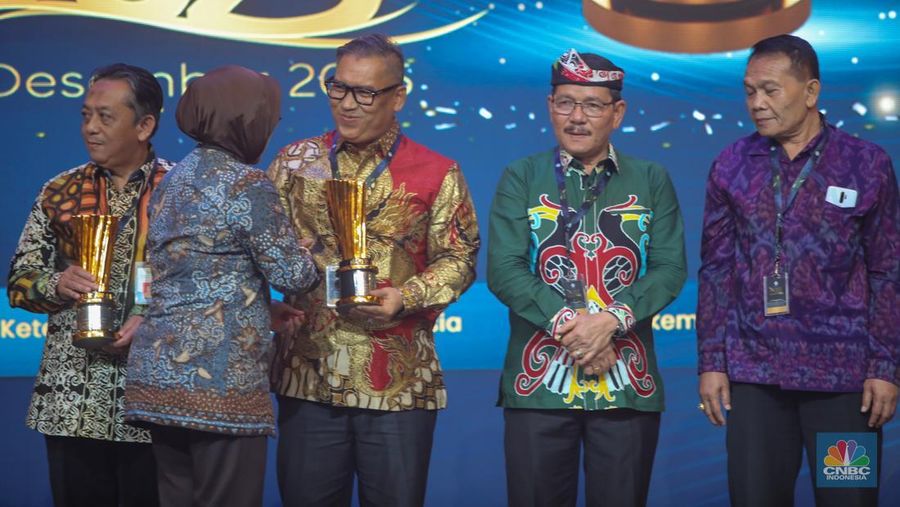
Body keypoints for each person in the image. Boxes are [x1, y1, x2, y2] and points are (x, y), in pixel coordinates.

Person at [267, 33, 480, 506]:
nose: (347, 104)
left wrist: (407, 296)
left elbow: (460, 258)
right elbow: (258, 250)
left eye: (365, 92)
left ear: (397, 96)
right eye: (338, 87)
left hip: (398, 383)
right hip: (308, 375)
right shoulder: (294, 163)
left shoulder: (436, 171)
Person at [697, 34, 899, 507]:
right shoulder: (731, 165)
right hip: (754, 376)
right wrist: (711, 362)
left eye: (770, 90)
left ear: (810, 92)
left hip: (845, 382)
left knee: (848, 499)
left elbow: (888, 271)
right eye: (750, 91)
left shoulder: (866, 164)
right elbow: (716, 269)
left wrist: (885, 366)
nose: (757, 103)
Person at [487, 49, 687, 506]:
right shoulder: (521, 176)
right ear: (549, 106)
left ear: (618, 112)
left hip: (626, 384)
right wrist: (576, 330)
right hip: (538, 386)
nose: (576, 118)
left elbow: (670, 268)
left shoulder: (651, 179)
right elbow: (504, 269)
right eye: (565, 103)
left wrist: (611, 321)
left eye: (593, 105)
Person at [123, 65, 319, 507]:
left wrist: (258, 305)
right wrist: (306, 250)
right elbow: (293, 275)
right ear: (245, 120)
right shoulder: (246, 183)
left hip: (157, 377)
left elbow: (192, 269)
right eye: (268, 119)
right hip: (217, 382)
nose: (270, 129)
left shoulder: (173, 180)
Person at [7, 63, 168, 507]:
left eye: (105, 117)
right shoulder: (58, 190)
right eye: (85, 115)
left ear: (144, 125)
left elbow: (200, 285)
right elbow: (19, 281)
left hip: (152, 398)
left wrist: (154, 314)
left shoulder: (178, 191)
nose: (90, 128)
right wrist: (56, 283)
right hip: (71, 400)